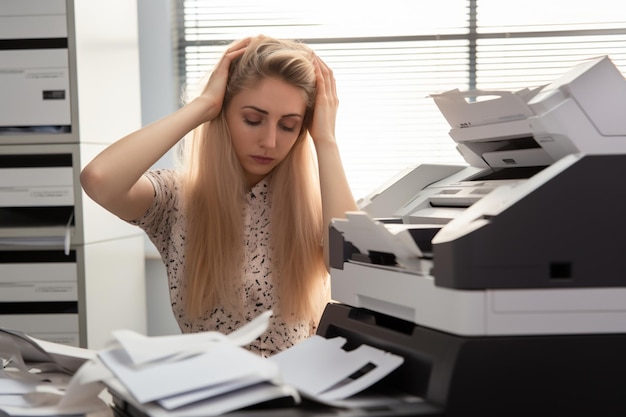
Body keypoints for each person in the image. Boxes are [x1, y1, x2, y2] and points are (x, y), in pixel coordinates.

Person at [80, 35, 358, 357]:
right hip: (207, 393)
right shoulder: (176, 199)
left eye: (288, 126)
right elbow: (99, 179)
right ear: (223, 114)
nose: (269, 141)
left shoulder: (317, 207)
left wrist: (325, 139)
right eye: (253, 120)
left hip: (296, 395)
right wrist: (204, 106)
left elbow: (351, 272)